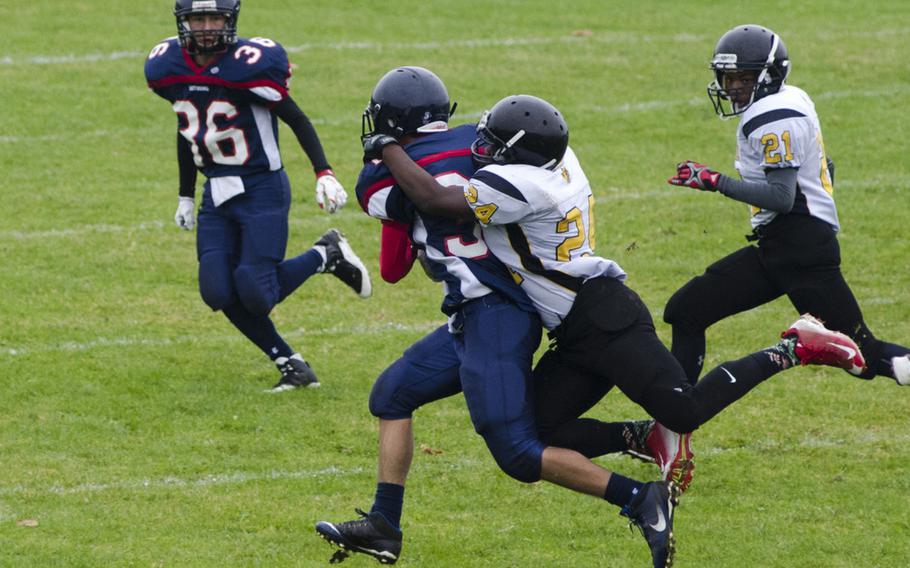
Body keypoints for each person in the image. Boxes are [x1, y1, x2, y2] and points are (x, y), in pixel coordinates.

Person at [364, 93, 868, 567]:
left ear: (522, 156)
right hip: (575, 328)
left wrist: (387, 145)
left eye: (495, 147)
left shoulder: (519, 186)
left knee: (684, 408)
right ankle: (641, 438)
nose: (481, 151)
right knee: (537, 434)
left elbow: (433, 198)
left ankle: (793, 347)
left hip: (606, 319)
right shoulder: (559, 163)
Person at [316, 68, 689, 568]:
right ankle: (384, 526)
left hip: (493, 313)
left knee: (517, 453)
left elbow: (394, 254)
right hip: (478, 313)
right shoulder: (481, 141)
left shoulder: (382, 178)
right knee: (392, 394)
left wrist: (385, 153)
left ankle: (640, 499)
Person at [144, 0, 371, 391]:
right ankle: (292, 365)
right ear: (183, 22)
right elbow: (189, 128)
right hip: (216, 190)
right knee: (216, 289)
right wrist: (185, 194)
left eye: (214, 17)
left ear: (229, 20)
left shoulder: (250, 63)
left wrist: (324, 171)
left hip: (262, 189)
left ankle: (327, 254)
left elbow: (296, 118)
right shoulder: (169, 66)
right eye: (197, 18)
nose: (206, 27)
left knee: (255, 291)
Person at [664, 24, 910, 386]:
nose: (732, 87)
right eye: (728, 78)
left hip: (799, 249)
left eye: (743, 78)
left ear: (769, 76)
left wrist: (715, 181)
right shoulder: (790, 99)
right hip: (784, 248)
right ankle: (673, 415)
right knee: (685, 311)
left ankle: (674, 414)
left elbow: (781, 197)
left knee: (866, 355)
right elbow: (825, 169)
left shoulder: (774, 117)